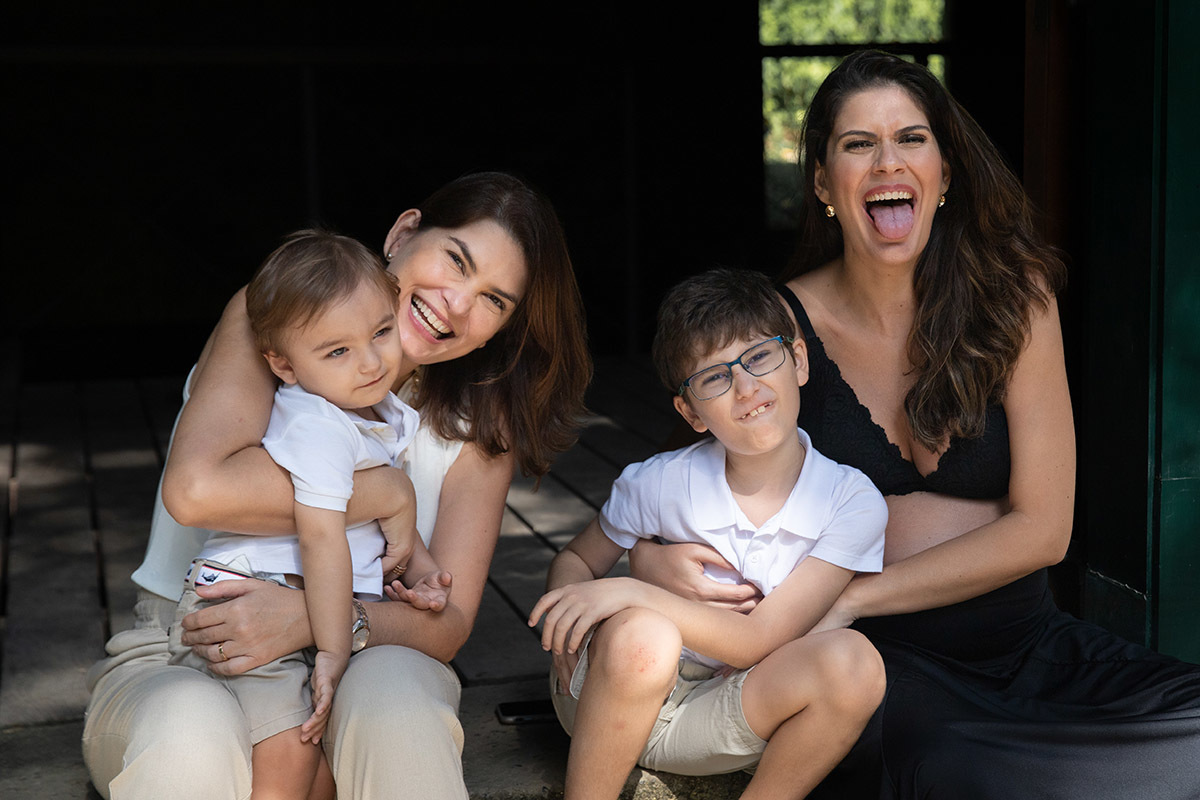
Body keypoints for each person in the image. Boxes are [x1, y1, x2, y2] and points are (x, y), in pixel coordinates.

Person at [629, 50, 1200, 799]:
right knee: (973, 772)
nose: (887, 162)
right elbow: (683, 478)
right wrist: (648, 561)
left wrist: (852, 594)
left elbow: (1044, 530)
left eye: (911, 138)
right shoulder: (776, 328)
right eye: (858, 144)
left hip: (1031, 643)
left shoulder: (1015, 302)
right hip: (878, 666)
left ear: (945, 171)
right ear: (823, 184)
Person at [82, 171, 592, 800]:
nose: (457, 304)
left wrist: (314, 619)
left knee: (399, 705)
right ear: (403, 234)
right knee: (190, 730)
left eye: (493, 300)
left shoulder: (481, 425)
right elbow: (198, 491)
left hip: (363, 651)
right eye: (456, 261)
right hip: (185, 642)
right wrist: (386, 495)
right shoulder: (280, 312)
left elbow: (448, 624)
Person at [530, 268, 888, 800]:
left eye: (759, 357)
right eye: (715, 378)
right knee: (646, 636)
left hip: (721, 711)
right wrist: (568, 622)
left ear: (799, 360)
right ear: (690, 412)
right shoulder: (660, 482)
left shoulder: (850, 501)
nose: (746, 387)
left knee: (855, 663)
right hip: (607, 694)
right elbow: (577, 561)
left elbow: (756, 642)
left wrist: (631, 588)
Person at [166, 229, 453, 799]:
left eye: (381, 332)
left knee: (320, 774)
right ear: (284, 365)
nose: (370, 362)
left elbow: (380, 521)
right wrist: (334, 649)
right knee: (290, 754)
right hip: (247, 598)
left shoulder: (376, 409)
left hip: (301, 599)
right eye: (337, 351)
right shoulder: (320, 426)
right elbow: (321, 538)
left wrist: (422, 576)